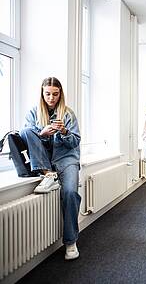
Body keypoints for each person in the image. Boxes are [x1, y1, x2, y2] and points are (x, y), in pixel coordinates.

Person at [20, 77, 81, 260]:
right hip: (45, 162)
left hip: (66, 159)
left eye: (55, 94)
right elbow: (26, 137)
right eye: (48, 94)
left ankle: (71, 242)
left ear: (60, 94)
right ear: (42, 93)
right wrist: (42, 134)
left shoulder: (68, 114)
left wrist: (64, 132)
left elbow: (76, 142)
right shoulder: (33, 113)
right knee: (26, 131)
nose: (51, 98)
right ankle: (48, 174)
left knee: (70, 192)